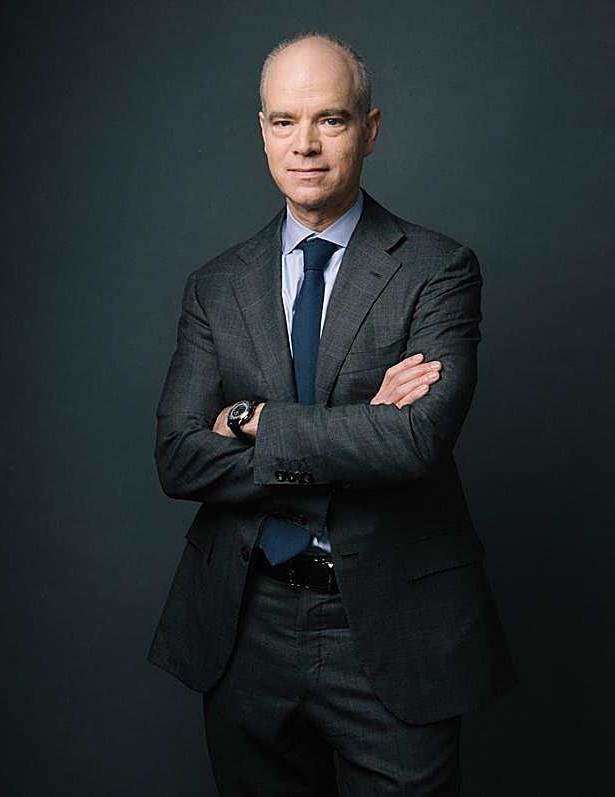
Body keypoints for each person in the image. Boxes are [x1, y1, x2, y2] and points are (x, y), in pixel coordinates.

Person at [148, 32, 516, 796]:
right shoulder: (216, 285)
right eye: (285, 121)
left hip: (388, 626)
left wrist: (246, 418)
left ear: (369, 129)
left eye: (331, 119)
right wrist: (357, 432)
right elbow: (178, 458)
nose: (305, 144)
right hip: (244, 625)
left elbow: (413, 441)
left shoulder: (437, 269)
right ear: (262, 131)